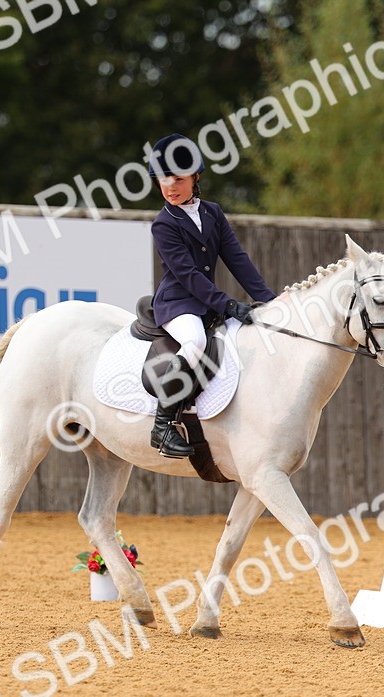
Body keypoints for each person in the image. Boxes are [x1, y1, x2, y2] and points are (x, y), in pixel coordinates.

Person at [146, 133, 278, 458]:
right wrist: (227, 304)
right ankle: (163, 425)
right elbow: (188, 276)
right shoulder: (164, 224)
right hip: (178, 305)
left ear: (196, 177)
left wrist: (271, 302)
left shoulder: (213, 213)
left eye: (178, 179)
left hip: (207, 305)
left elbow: (237, 259)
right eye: (164, 180)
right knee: (195, 343)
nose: (170, 187)